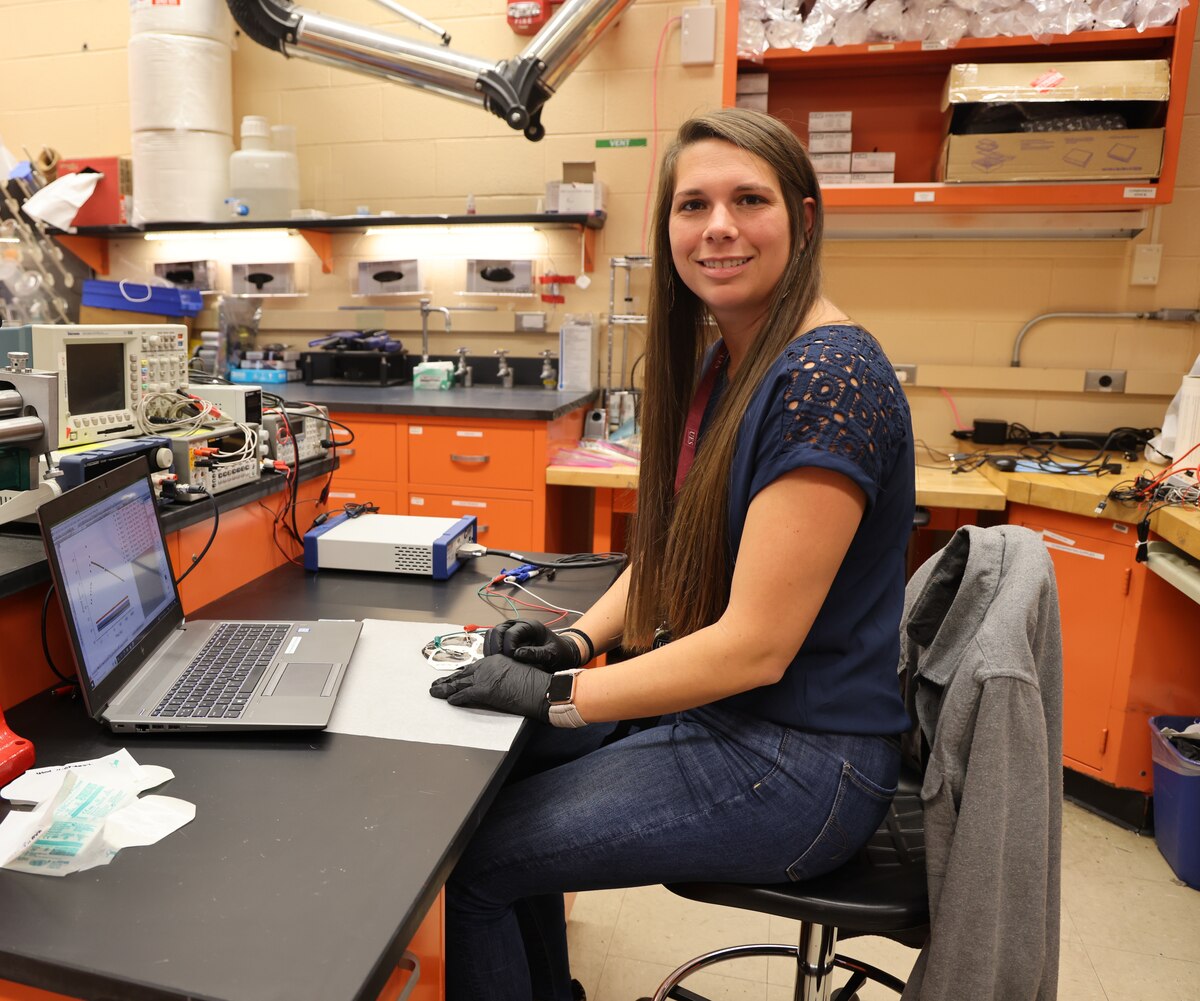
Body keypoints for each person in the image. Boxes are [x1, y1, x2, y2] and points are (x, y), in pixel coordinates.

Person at [429, 106, 915, 1001]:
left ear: (803, 220)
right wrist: (576, 641)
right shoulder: (731, 363)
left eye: (748, 200)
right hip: (734, 720)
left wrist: (561, 697)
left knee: (478, 862)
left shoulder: (826, 380)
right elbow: (667, 554)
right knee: (489, 789)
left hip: (800, 762)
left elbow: (754, 645)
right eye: (694, 205)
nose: (718, 227)